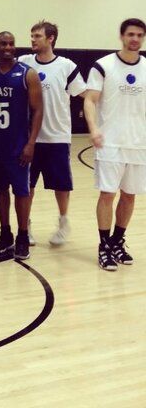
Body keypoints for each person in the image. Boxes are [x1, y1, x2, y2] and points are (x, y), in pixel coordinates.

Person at [84, 18, 146, 271]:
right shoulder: (103, 65)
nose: (135, 39)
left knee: (129, 195)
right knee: (108, 194)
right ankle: (104, 246)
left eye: (139, 35)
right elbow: (90, 100)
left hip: (139, 143)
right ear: (121, 36)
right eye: (131, 34)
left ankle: (117, 241)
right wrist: (94, 129)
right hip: (109, 143)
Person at [18, 21, 86, 246]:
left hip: (57, 136)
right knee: (27, 185)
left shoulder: (66, 66)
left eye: (37, 36)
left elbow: (84, 94)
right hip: (29, 138)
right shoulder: (24, 63)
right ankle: (25, 226)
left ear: (51, 38)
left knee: (61, 185)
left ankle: (63, 222)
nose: (33, 39)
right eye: (31, 36)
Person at [0, 31, 43, 261]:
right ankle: (5, 233)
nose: (8, 47)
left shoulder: (28, 74)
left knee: (21, 192)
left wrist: (31, 143)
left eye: (11, 43)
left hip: (19, 145)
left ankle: (23, 235)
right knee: (0, 190)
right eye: (3, 43)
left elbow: (38, 110)